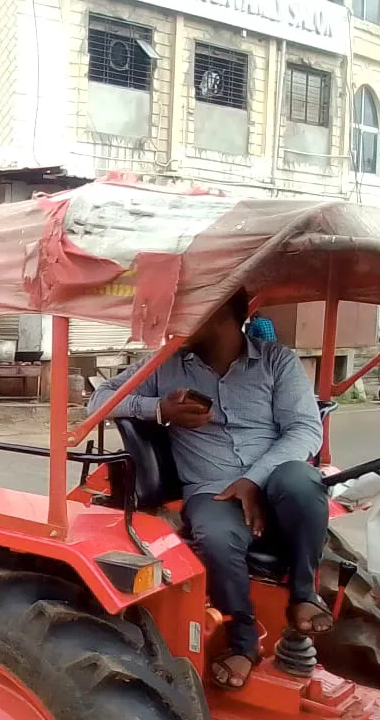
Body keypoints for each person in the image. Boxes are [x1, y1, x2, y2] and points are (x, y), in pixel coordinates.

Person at [88, 289, 330, 690]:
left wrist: (253, 481)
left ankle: (304, 593)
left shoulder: (277, 362)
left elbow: (305, 429)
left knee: (304, 481)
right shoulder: (167, 366)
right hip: (211, 488)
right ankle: (243, 642)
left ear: (219, 314)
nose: (177, 321)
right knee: (215, 536)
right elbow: (98, 399)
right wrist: (160, 410)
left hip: (274, 479)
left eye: (189, 311)